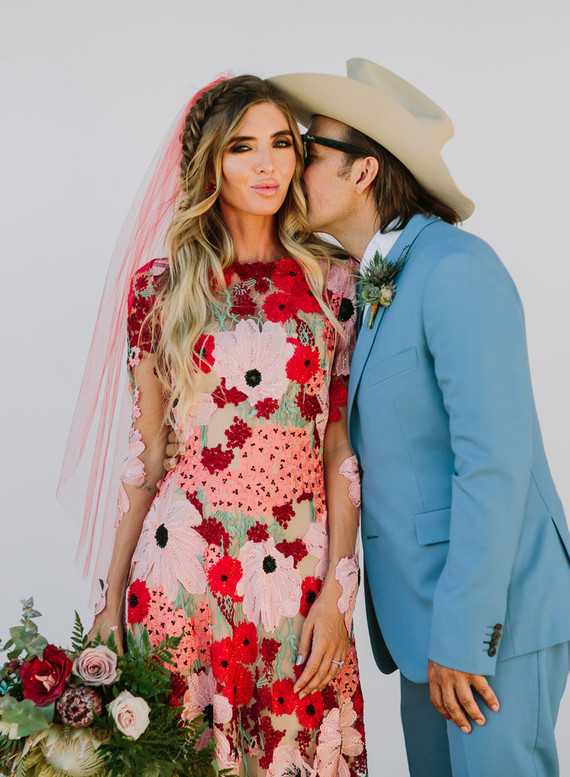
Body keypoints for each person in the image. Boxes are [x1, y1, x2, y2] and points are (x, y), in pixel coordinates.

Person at [266, 59, 570, 777]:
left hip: (491, 621)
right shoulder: (376, 281)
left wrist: (466, 635)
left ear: (364, 170)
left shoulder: (456, 266)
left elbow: (493, 461)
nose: (293, 169)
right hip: (423, 623)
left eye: (310, 153)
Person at [60, 75, 367, 775]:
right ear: (210, 165)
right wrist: (107, 600)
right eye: (243, 148)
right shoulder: (160, 290)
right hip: (181, 578)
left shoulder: (335, 284)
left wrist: (338, 591)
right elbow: (145, 455)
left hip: (297, 584)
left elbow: (341, 445)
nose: (267, 165)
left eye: (282, 145)